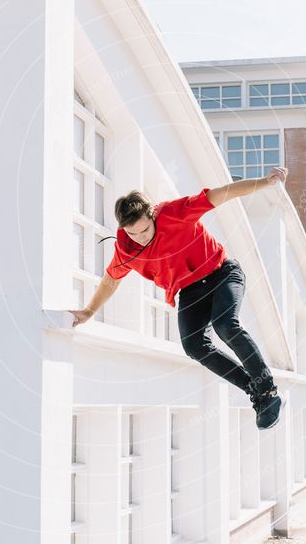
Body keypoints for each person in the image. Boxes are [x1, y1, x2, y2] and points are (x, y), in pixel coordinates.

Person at [68, 167, 289, 430]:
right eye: (132, 234)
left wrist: (266, 182)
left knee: (225, 325)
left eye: (145, 230)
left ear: (152, 217)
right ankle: (254, 391)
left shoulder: (174, 212)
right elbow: (110, 280)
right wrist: (89, 311)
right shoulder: (126, 250)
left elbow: (223, 194)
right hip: (190, 290)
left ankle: (268, 391)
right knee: (194, 345)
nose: (140, 239)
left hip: (222, 274)